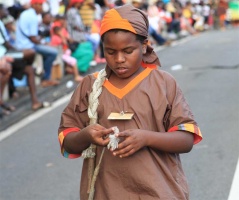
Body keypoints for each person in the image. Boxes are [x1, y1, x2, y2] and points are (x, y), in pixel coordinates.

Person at [58, 4, 202, 200]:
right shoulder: (90, 86)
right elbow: (68, 142)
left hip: (160, 192)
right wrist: (86, 135)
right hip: (105, 193)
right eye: (110, 51)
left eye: (128, 51)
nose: (119, 59)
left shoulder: (164, 83)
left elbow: (186, 140)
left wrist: (146, 138)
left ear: (144, 46)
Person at [15, 0, 59, 87]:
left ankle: (45, 77)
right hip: (27, 45)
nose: (42, 7)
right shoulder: (32, 16)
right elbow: (33, 38)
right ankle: (46, 79)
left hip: (24, 43)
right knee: (53, 52)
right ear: (34, 5)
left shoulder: (28, 13)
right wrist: (44, 43)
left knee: (48, 51)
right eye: (40, 5)